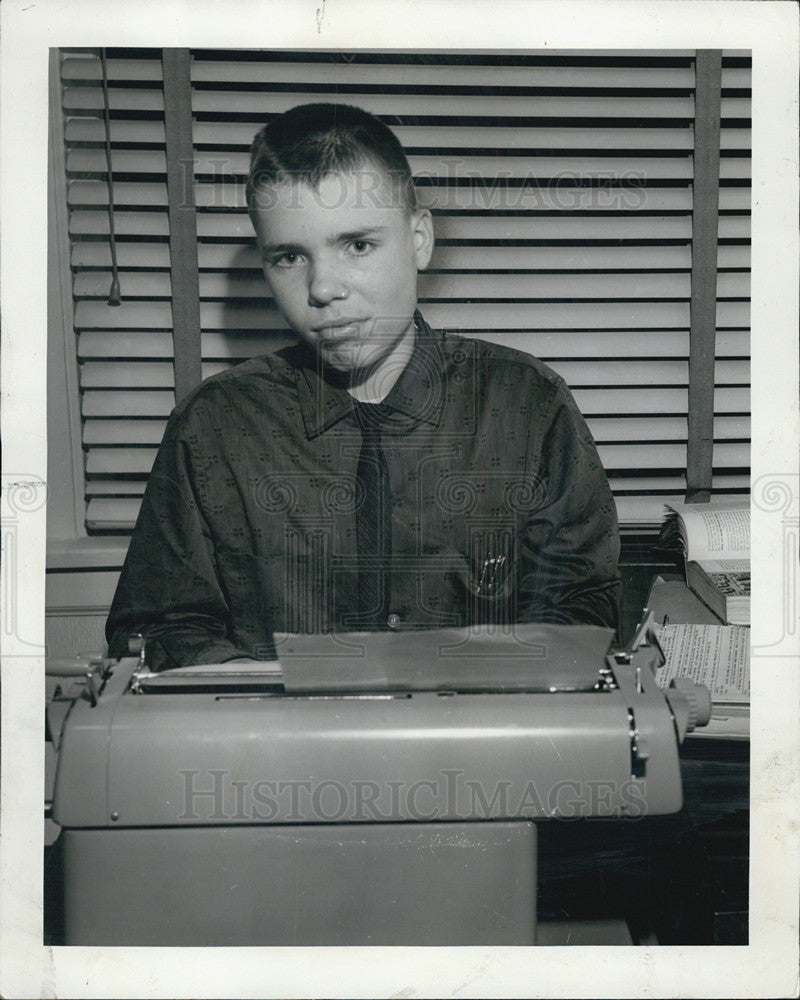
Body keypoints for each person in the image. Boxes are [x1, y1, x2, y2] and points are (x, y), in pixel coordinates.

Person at [106, 103, 620, 669]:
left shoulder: (527, 404)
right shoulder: (210, 429)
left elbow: (580, 613)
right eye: (290, 256)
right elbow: (157, 631)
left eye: (357, 245)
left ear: (419, 239)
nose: (323, 287)